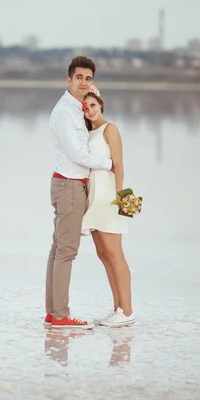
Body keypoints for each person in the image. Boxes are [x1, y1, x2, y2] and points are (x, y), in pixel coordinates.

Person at [45, 56, 113, 330]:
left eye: (89, 79)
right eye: (79, 78)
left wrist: (94, 99)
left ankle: (53, 313)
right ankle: (60, 316)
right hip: (70, 185)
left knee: (58, 249)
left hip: (70, 185)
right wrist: (109, 164)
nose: (84, 82)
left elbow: (93, 122)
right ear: (69, 80)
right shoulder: (64, 112)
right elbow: (77, 154)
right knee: (66, 252)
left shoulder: (78, 108)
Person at [81, 89, 135, 327]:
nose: (90, 110)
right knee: (103, 255)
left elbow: (119, 164)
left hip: (109, 197)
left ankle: (127, 310)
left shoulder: (110, 129)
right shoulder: (87, 132)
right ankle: (117, 309)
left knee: (115, 255)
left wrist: (120, 197)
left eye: (93, 105)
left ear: (101, 105)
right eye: (86, 107)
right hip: (93, 199)